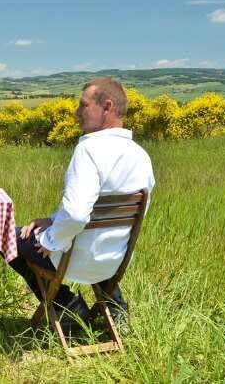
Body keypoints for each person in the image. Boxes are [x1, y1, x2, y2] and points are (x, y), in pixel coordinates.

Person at [8, 77, 155, 329]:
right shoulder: (140, 155)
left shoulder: (89, 150)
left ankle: (67, 306)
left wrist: (51, 238)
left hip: (75, 260)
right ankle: (114, 305)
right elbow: (108, 213)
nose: (77, 113)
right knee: (72, 232)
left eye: (83, 105)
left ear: (106, 106)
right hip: (113, 261)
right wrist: (53, 221)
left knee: (6, 237)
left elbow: (77, 216)